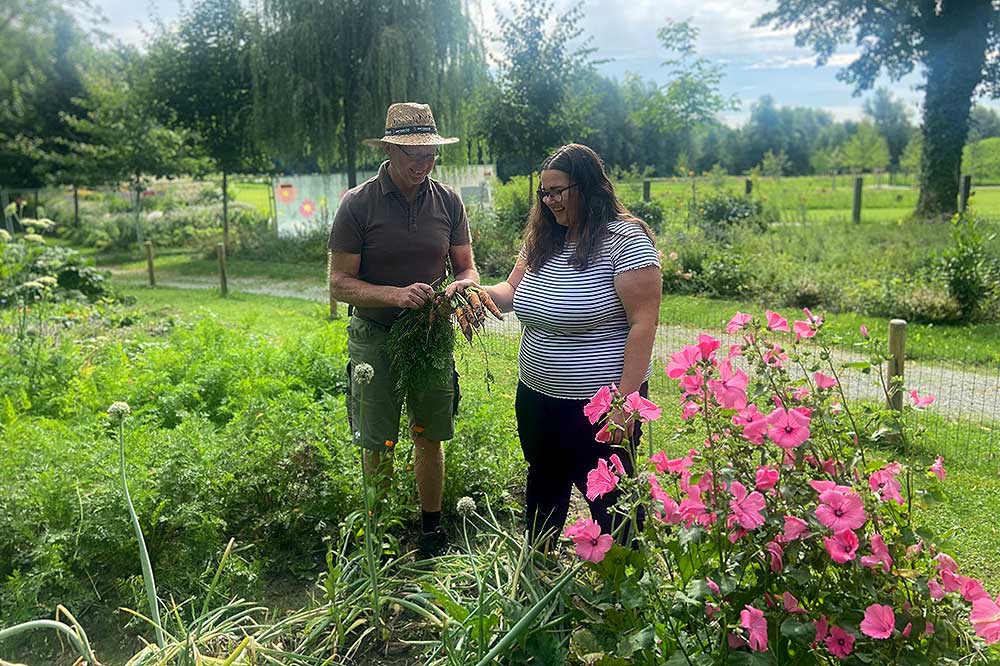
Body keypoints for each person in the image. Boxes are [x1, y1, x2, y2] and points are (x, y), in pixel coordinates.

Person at [448, 143, 661, 542]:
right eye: (544, 193)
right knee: (544, 481)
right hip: (538, 395)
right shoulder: (543, 238)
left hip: (600, 404)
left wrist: (625, 404)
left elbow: (643, 325)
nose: (550, 202)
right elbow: (511, 292)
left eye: (559, 191)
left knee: (611, 498)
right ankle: (539, 567)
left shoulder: (625, 241)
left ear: (589, 187)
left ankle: (626, 583)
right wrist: (474, 291)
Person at [328, 102, 480, 557]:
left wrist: (461, 292)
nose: (422, 163)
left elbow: (467, 268)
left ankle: (429, 530)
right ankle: (377, 535)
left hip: (430, 335)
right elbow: (339, 285)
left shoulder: (448, 201)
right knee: (378, 437)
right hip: (375, 335)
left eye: (430, 153)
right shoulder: (358, 204)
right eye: (413, 153)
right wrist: (395, 295)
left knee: (427, 431)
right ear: (390, 150)